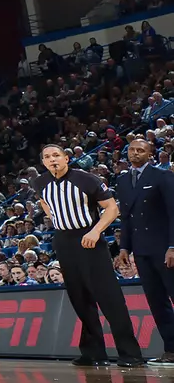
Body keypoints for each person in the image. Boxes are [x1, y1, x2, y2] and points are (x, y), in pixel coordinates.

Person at [41, 143, 145, 367]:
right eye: (47, 157)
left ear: (66, 158)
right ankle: (93, 353)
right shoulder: (40, 182)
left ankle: (131, 354)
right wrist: (56, 219)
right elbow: (44, 202)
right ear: (43, 162)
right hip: (64, 241)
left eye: (56, 155)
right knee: (80, 298)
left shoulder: (85, 179)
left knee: (109, 298)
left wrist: (96, 231)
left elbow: (112, 208)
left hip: (90, 238)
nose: (52, 159)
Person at [117, 137, 174, 361]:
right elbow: (126, 218)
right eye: (132, 150)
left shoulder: (162, 176)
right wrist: (124, 247)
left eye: (140, 150)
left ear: (150, 154)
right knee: (157, 302)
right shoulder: (122, 181)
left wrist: (172, 246)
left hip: (164, 249)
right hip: (141, 251)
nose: (135, 153)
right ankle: (171, 349)